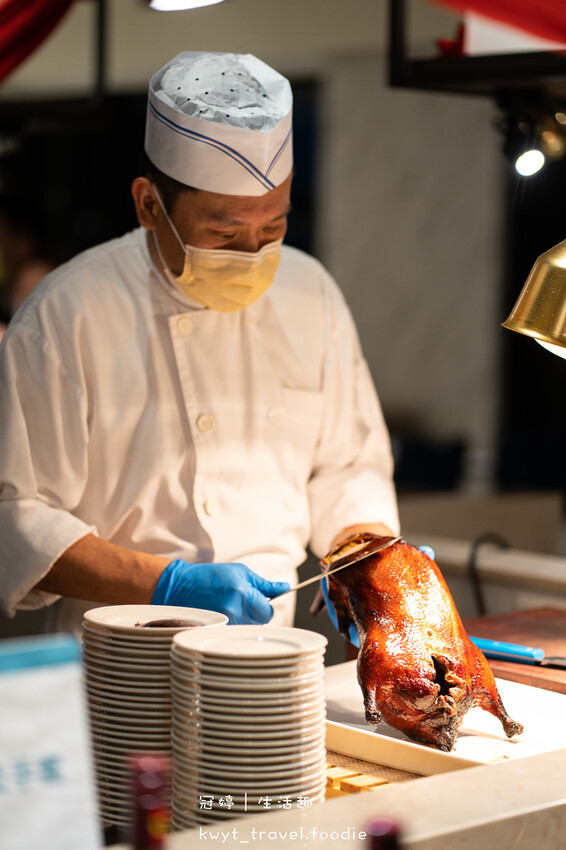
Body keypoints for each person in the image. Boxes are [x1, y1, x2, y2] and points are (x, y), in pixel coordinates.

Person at [0, 51, 399, 635]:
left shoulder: (311, 293)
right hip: (122, 661)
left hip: (271, 653)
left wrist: (373, 559)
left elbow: (349, 466)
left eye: (274, 227)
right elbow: (16, 517)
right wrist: (167, 584)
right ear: (148, 206)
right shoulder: (67, 313)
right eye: (225, 230)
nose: (253, 253)